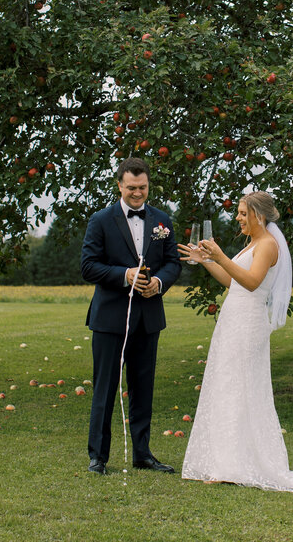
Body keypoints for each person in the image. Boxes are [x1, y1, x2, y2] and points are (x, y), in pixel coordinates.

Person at [179, 191, 293, 493]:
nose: (237, 218)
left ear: (258, 216)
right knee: (227, 385)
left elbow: (251, 283)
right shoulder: (252, 244)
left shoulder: (268, 245)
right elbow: (232, 281)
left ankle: (235, 466)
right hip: (232, 319)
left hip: (248, 323)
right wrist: (206, 261)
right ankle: (226, 462)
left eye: (241, 213)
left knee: (241, 387)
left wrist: (220, 255)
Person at [80, 157, 181, 475]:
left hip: (148, 318)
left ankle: (142, 453)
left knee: (143, 387)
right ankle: (98, 456)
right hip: (110, 318)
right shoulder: (100, 220)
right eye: (132, 188)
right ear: (120, 185)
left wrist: (159, 283)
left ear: (149, 185)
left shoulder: (162, 220)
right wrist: (125, 274)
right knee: (104, 388)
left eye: (143, 188)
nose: (138, 193)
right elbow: (88, 266)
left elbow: (173, 262)